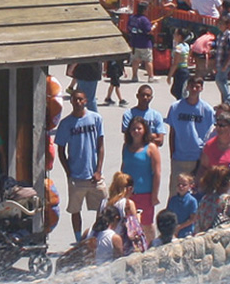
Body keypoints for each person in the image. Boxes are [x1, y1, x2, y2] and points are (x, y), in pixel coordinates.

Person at [52, 85, 106, 240]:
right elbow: (61, 150)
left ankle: (97, 236)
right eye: (75, 99)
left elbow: (101, 146)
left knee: (102, 206)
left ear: (86, 101)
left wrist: (99, 170)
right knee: (75, 210)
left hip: (94, 175)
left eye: (80, 99)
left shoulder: (96, 119)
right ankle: (78, 239)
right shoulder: (66, 123)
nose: (77, 102)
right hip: (76, 176)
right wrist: (68, 172)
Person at [167, 77, 215, 180]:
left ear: (201, 88)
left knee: (196, 191)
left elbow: (212, 134)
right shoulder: (175, 107)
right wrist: (172, 153)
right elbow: (172, 132)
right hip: (179, 157)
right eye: (191, 86)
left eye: (197, 87)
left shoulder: (207, 110)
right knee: (176, 191)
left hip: (198, 157)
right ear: (187, 87)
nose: (194, 89)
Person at [118, 114, 162, 225]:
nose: (136, 131)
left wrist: (154, 195)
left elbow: (157, 173)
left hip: (145, 194)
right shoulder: (126, 146)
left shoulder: (151, 147)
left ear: (145, 130)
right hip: (127, 193)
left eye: (139, 128)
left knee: (145, 225)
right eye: (133, 129)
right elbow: (123, 168)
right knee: (127, 225)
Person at [169, 172, 200, 236]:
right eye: (179, 184)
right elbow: (169, 214)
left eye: (184, 185)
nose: (181, 186)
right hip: (174, 230)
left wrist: (179, 227)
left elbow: (193, 219)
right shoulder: (173, 200)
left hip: (187, 231)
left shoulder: (192, 201)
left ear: (190, 186)